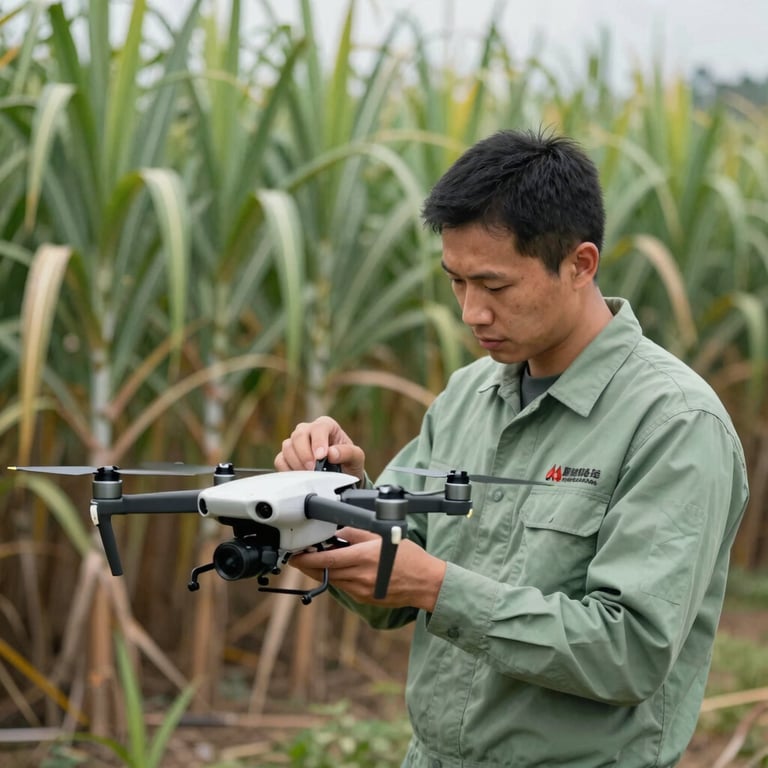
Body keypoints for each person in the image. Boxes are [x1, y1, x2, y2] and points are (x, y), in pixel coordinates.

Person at [273, 129, 749, 768]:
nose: (471, 312)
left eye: (494, 287)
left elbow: (630, 653)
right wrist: (338, 501)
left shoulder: (674, 424)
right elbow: (388, 591)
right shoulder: (467, 396)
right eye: (456, 282)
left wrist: (438, 589)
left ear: (580, 265)